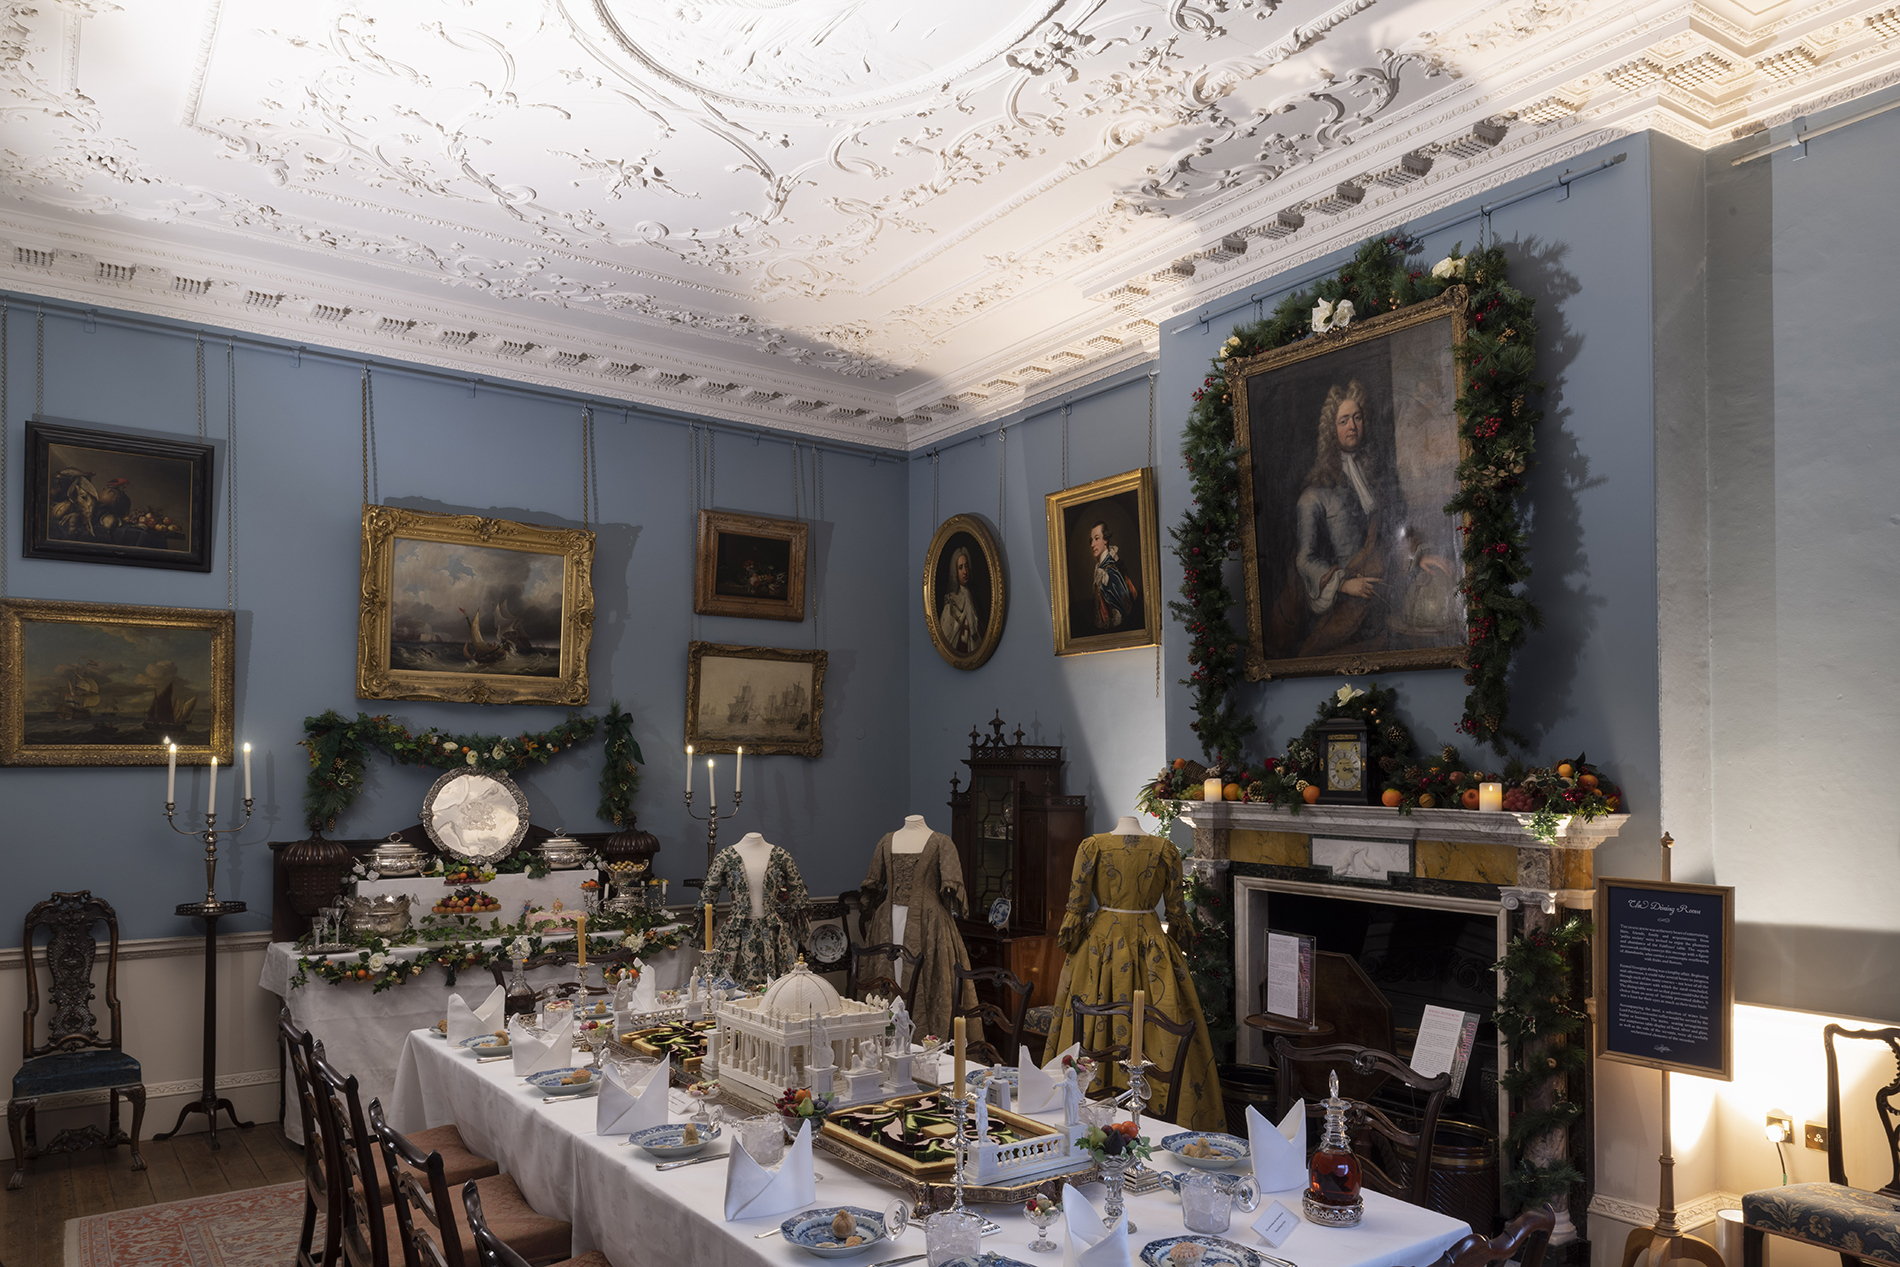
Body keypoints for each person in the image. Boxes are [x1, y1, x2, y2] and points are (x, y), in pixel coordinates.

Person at [1041, 824, 1223, 1132]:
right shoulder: (1163, 849)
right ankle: (1153, 1121)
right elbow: (1176, 909)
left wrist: (1072, 942)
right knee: (1161, 1024)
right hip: (1152, 949)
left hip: (1100, 947)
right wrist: (1179, 942)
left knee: (1090, 1027)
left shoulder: (1092, 846)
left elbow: (1077, 903)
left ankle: (1086, 1118)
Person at [1269, 379, 1449, 657]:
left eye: (1357, 418)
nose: (1352, 426)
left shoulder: (1378, 479)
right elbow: (1304, 559)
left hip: (1384, 600)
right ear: (1331, 429)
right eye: (1343, 421)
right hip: (1343, 608)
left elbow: (1394, 530)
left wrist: (1418, 556)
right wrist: (1344, 583)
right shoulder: (1314, 495)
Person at [1088, 521, 1140, 631]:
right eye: (1091, 540)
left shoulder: (1109, 573)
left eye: (1097, 539)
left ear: (1106, 540)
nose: (1092, 544)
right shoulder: (1101, 569)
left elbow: (1121, 614)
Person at [937, 546, 983, 655]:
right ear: (955, 571)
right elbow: (947, 636)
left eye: (966, 566)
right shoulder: (951, 602)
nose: (965, 572)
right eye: (960, 568)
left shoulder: (971, 595)